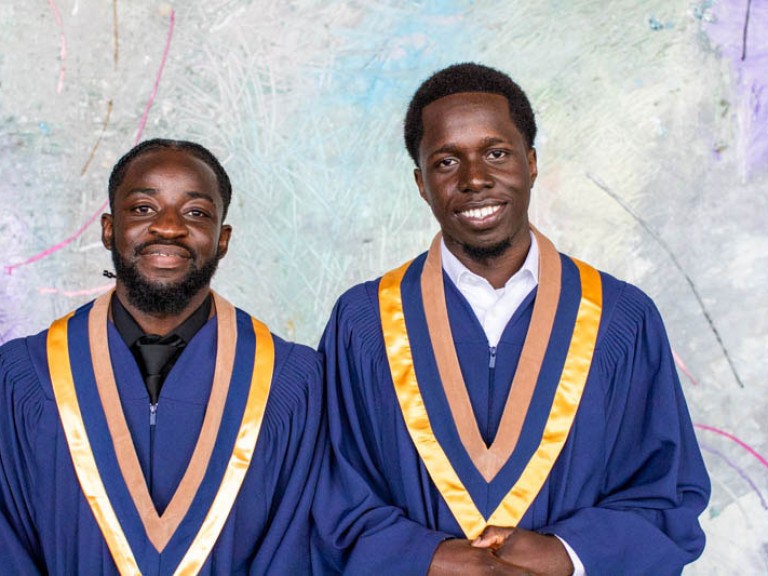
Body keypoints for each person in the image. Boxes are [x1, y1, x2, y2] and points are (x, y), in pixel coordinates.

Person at [313, 63, 710, 575]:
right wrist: (427, 557)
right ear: (420, 183)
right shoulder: (363, 322)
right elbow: (330, 489)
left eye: (496, 154)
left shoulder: (621, 318)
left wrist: (566, 553)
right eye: (446, 162)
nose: (474, 179)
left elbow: (667, 490)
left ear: (532, 162)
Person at [0, 139, 324, 574]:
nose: (168, 227)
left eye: (196, 213)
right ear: (108, 229)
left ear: (222, 239)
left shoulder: (290, 381)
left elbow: (295, 548)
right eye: (143, 209)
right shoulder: (25, 376)